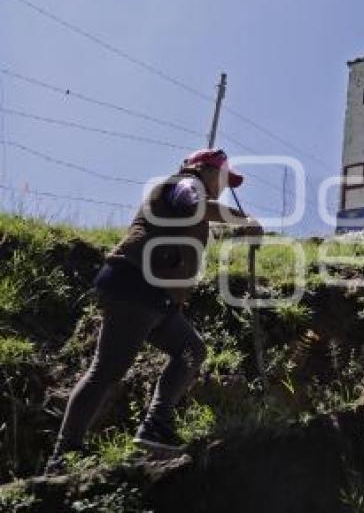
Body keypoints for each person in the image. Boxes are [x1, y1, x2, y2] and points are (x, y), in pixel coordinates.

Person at [45, 148, 262, 475]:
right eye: (222, 177)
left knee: (190, 349)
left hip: (155, 297)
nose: (223, 185)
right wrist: (242, 219)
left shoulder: (192, 194)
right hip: (136, 284)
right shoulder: (187, 184)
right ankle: (62, 457)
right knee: (106, 370)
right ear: (202, 168)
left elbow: (192, 221)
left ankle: (154, 427)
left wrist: (237, 229)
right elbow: (196, 205)